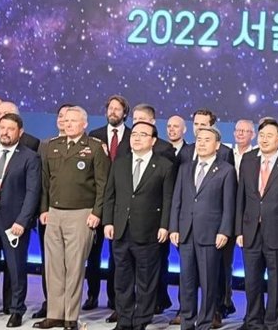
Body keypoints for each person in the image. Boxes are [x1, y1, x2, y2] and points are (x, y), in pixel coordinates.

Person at [34, 106, 109, 330]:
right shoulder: (51, 146)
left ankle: (70, 317)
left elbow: (103, 184)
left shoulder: (95, 147)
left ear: (84, 124)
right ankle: (54, 314)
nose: (68, 124)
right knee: (54, 267)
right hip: (54, 213)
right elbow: (45, 181)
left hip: (82, 213)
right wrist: (43, 209)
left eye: (73, 121)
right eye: (65, 120)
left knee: (75, 267)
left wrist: (97, 212)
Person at [102, 121, 176, 330]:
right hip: (120, 230)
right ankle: (124, 320)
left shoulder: (164, 166)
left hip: (149, 231)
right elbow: (110, 195)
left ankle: (141, 320)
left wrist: (165, 226)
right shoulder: (120, 163)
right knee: (122, 280)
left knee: (146, 281)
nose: (136, 138)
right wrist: (108, 221)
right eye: (134, 134)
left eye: (143, 134)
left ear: (153, 141)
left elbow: (168, 199)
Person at [236, 119, 278, 329]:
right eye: (262, 135)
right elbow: (240, 198)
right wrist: (238, 230)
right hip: (251, 231)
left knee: (277, 282)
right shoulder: (248, 160)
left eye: (269, 136)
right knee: (252, 281)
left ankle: (273, 323)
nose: (264, 139)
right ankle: (252, 321)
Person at [169, 127, 236, 330]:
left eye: (207, 140)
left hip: (211, 234)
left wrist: (224, 231)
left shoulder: (226, 170)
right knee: (186, 282)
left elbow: (229, 205)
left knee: (208, 284)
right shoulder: (185, 168)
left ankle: (205, 323)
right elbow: (177, 200)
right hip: (186, 233)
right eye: (199, 139)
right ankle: (187, 323)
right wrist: (174, 227)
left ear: (217, 145)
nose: (202, 143)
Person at [0, 114, 41, 327]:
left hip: (14, 223)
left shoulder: (30, 157)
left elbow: (33, 192)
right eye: (2, 128)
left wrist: (22, 221)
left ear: (20, 132)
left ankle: (16, 310)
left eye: (10, 129)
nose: (5, 132)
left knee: (16, 269)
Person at [85, 94, 131, 314]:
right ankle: (92, 295)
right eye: (110, 108)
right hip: (97, 201)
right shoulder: (94, 136)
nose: (113, 112)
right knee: (93, 253)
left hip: (121, 204)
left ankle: (114, 298)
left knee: (117, 256)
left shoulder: (132, 137)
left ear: (125, 113)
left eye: (117, 109)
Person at [32, 102, 74, 320]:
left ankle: (69, 306)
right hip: (48, 213)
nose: (63, 120)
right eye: (60, 116)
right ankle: (51, 304)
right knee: (49, 261)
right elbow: (41, 181)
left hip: (74, 214)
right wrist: (42, 209)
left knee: (71, 262)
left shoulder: (87, 146)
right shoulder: (45, 144)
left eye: (68, 117)